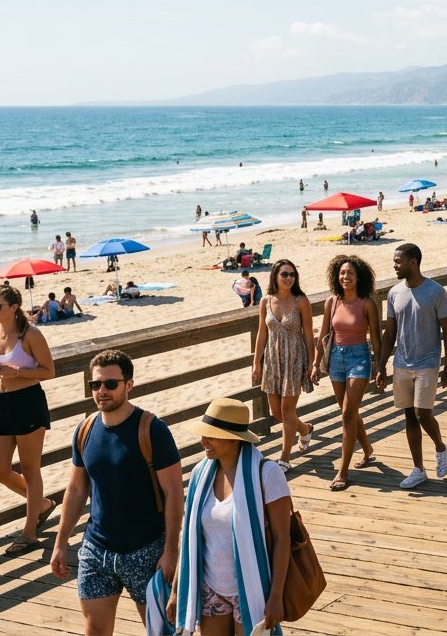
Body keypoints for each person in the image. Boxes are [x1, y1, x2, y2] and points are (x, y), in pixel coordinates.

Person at [50, 350, 183, 633]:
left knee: (160, 630)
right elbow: (75, 490)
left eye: (111, 384)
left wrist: (171, 551)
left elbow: (174, 493)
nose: (102, 391)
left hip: (146, 550)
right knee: (95, 630)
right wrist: (61, 542)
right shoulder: (85, 430)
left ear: (128, 385)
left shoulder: (152, 429)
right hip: (96, 550)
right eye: (95, 385)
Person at [168, 398, 292, 635]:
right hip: (210, 587)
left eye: (211, 436)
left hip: (252, 587)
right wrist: (176, 590)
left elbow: (282, 538)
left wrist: (276, 596)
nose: (203, 442)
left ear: (235, 438)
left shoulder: (266, 474)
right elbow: (189, 535)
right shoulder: (200, 474)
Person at [0, 283, 57, 554]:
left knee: (29, 469)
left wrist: (15, 372)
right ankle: (43, 505)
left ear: (14, 307)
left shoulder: (30, 334)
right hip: (2, 403)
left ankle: (29, 532)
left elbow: (48, 371)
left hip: (28, 402)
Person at [377, 243, 447, 489]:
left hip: (428, 362)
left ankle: (441, 448)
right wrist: (381, 366)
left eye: (398, 261)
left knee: (423, 413)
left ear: (413, 262)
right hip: (402, 362)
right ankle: (418, 469)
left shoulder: (436, 292)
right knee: (409, 414)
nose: (394, 265)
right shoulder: (394, 293)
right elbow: (390, 333)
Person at [314, 255, 381, 491]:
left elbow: (375, 337)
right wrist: (315, 364)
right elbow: (323, 335)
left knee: (346, 413)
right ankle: (368, 449)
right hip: (335, 360)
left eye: (350, 273)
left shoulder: (367, 304)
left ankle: (343, 472)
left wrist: (380, 367)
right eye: (342, 273)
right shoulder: (331, 302)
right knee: (349, 412)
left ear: (359, 276)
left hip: (359, 358)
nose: (345, 277)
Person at [253, 259, 316, 472]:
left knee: (287, 410)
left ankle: (284, 458)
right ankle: (305, 429)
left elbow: (308, 333)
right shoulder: (265, 301)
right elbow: (262, 333)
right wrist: (256, 363)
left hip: (294, 359)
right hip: (272, 360)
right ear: (275, 277)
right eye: (284, 274)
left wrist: (312, 361)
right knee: (277, 413)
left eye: (292, 274)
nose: (289, 278)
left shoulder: (301, 301)